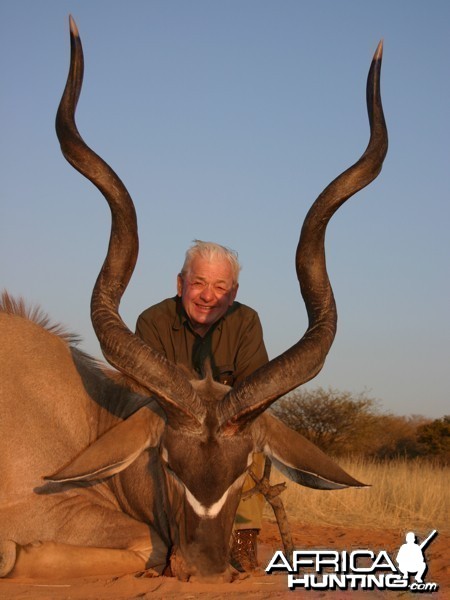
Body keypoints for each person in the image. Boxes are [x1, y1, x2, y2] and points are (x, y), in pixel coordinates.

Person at [136, 240, 268, 571]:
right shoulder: (152, 321)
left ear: (233, 293)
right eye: (198, 283)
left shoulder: (246, 323)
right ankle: (163, 532)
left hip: (225, 432)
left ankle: (243, 538)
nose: (208, 296)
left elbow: (255, 394)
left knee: (248, 440)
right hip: (174, 430)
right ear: (181, 283)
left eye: (220, 287)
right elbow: (146, 394)